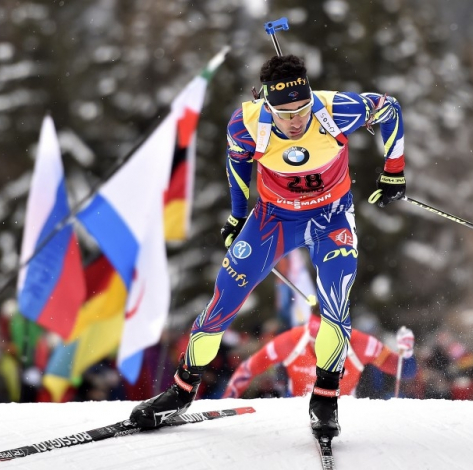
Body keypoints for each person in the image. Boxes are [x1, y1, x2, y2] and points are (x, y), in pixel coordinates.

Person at [130, 54, 406, 439]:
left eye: (301, 109)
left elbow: (388, 108)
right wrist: (238, 216)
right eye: (284, 113)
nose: (295, 121)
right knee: (222, 301)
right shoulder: (246, 124)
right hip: (274, 220)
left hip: (332, 219)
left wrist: (394, 173)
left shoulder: (336, 110)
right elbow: (237, 164)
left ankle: (325, 398)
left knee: (334, 306)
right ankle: (180, 393)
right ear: (267, 106)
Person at [222, 315, 416, 398]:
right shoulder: (292, 340)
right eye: (320, 343)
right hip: (294, 413)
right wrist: (227, 400)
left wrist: (407, 353)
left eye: (335, 343)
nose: (329, 350)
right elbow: (249, 368)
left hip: (343, 413)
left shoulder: (361, 344)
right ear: (311, 338)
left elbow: (405, 371)